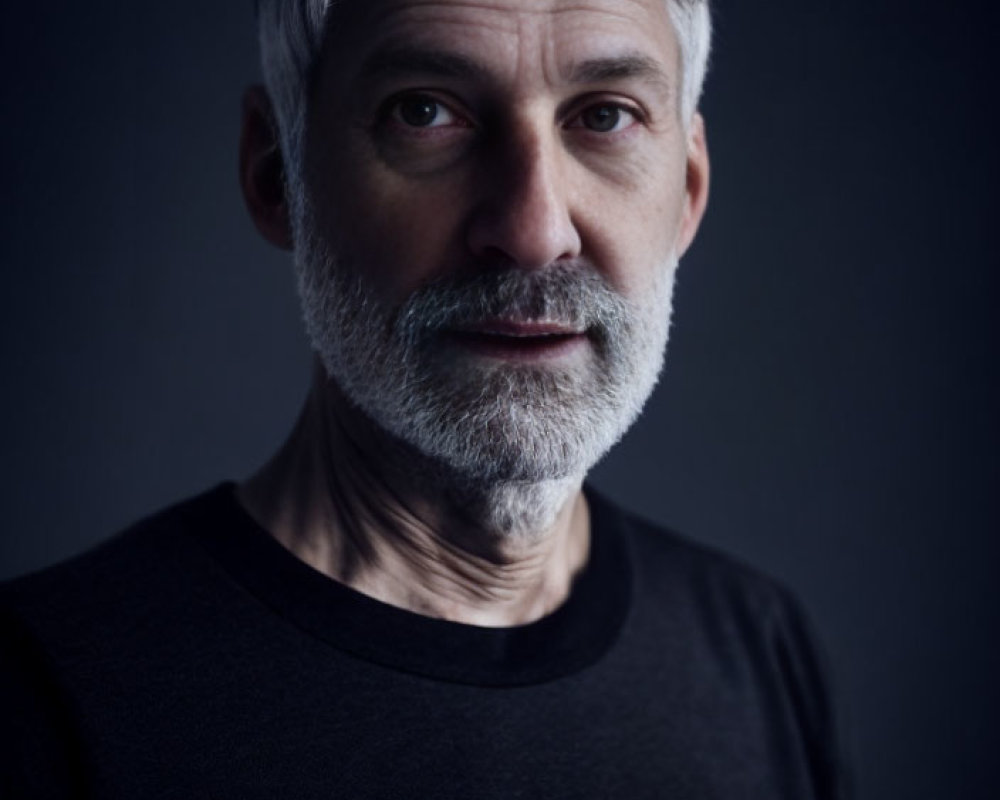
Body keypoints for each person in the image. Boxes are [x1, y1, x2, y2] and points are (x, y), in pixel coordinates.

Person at [0, 0, 849, 796]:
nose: (532, 230)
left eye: (604, 115)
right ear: (276, 174)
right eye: (426, 111)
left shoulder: (757, 649)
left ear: (688, 193)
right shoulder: (46, 694)